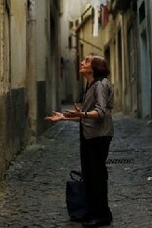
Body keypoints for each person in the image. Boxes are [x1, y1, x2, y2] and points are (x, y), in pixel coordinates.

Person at [46, 53, 114, 227]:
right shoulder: (90, 85)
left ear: (95, 67)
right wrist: (63, 118)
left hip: (99, 137)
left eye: (87, 61)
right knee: (90, 176)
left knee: (97, 176)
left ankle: (103, 216)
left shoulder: (99, 85)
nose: (82, 62)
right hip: (89, 135)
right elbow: (86, 118)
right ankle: (93, 212)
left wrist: (81, 113)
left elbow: (100, 113)